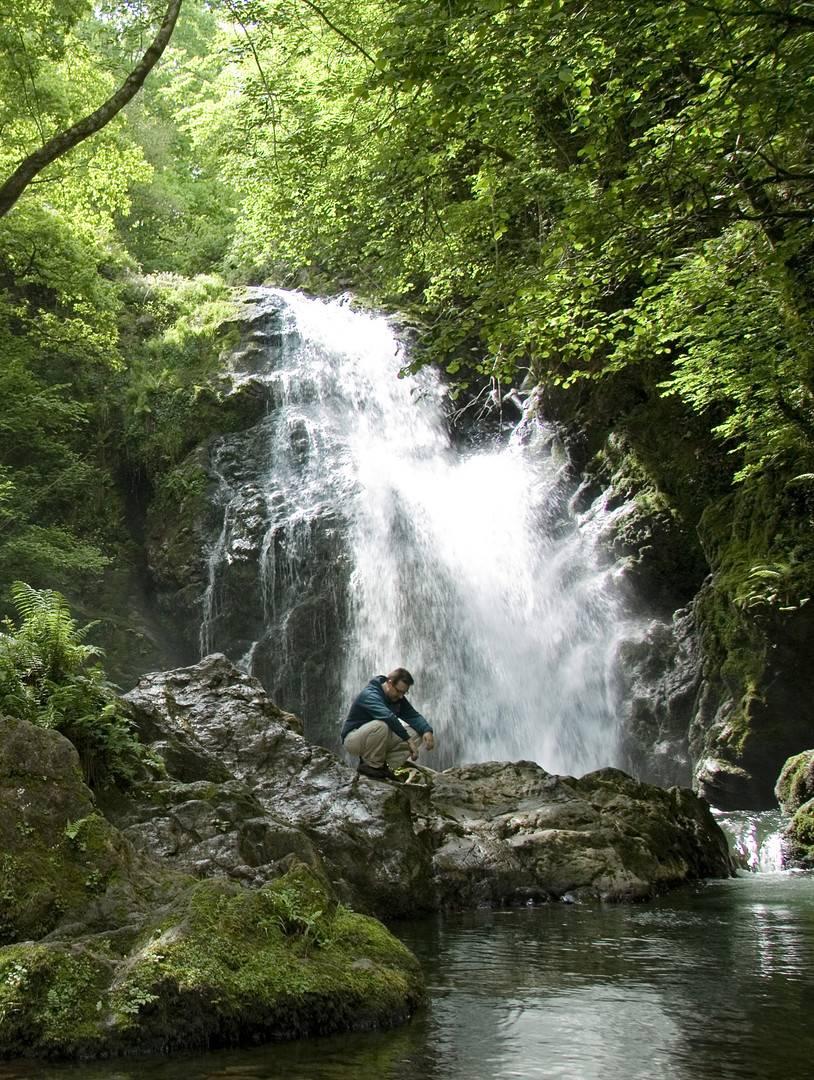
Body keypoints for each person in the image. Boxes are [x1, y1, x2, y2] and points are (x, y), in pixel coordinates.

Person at [341, 667, 435, 781]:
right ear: (390, 683)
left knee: (417, 732)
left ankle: (385, 767)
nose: (401, 696)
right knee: (382, 725)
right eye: (399, 691)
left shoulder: (397, 698)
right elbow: (387, 717)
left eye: (404, 693)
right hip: (353, 739)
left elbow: (413, 716)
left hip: (379, 738)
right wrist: (408, 740)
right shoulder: (370, 694)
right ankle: (371, 766)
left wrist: (427, 730)